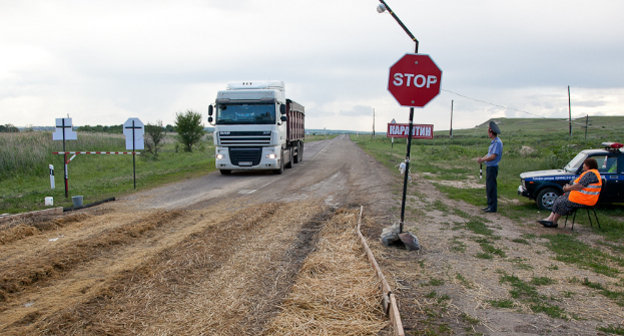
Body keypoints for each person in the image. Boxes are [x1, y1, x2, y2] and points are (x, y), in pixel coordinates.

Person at [539, 158, 602, 228]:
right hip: (581, 198)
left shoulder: (591, 174)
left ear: (588, 166)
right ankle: (550, 219)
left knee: (562, 202)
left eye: (584, 164)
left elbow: (579, 186)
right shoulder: (590, 173)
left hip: (585, 200)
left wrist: (568, 188)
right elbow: (576, 183)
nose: (583, 165)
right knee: (560, 198)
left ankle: (553, 222)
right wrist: (569, 186)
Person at [477, 121, 503, 213]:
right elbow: (489, 154)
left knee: (491, 187)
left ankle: (492, 207)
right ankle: (490, 205)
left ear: (491, 132)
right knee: (489, 187)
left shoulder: (497, 143)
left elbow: (493, 156)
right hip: (490, 167)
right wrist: (482, 159)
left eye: (488, 132)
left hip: (492, 167)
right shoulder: (494, 142)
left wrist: (483, 160)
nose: (488, 134)